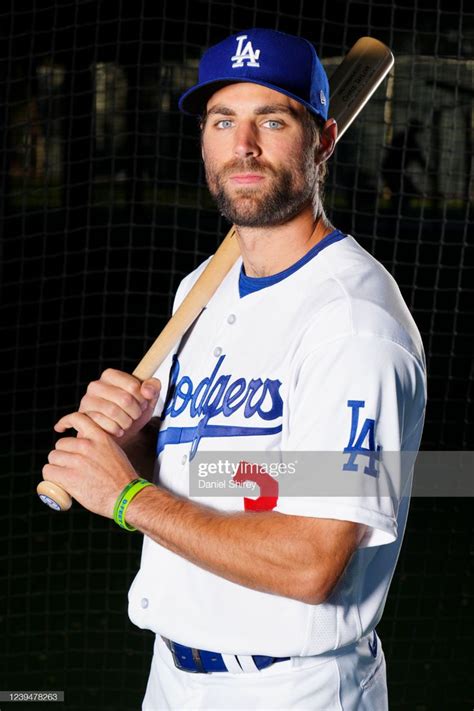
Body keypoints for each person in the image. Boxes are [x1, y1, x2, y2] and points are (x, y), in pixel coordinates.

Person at [43, 28, 427, 710]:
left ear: (324, 141)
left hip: (291, 685)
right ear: (203, 141)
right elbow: (223, 470)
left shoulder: (354, 323)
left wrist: (128, 498)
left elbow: (312, 560)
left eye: (272, 120)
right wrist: (130, 445)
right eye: (223, 121)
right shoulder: (201, 289)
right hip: (172, 674)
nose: (242, 146)